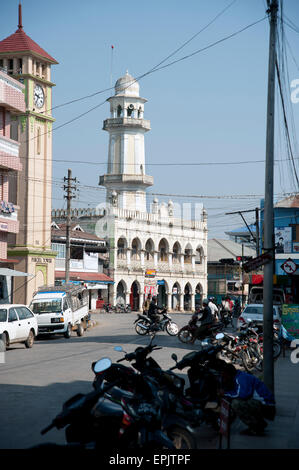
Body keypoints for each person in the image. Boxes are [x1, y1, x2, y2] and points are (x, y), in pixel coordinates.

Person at [219, 363, 276, 436]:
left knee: (236, 404)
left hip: (267, 406)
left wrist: (225, 394)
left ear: (229, 374)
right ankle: (258, 423)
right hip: (264, 404)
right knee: (237, 401)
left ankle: (256, 427)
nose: (223, 377)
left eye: (224, 375)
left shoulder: (241, 378)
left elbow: (242, 395)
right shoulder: (239, 376)